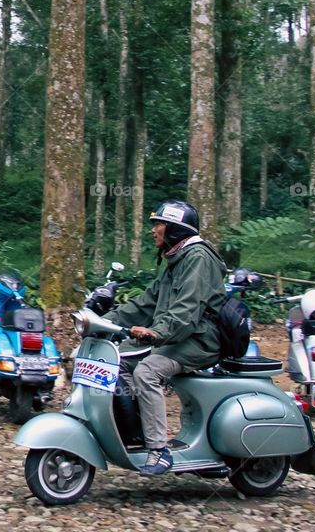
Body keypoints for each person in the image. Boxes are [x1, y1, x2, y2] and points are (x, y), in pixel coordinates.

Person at [100, 200, 224, 476]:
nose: (154, 230)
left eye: (159, 224)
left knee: (148, 370)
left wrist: (158, 334)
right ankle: (137, 434)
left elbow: (186, 312)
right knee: (117, 359)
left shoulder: (198, 259)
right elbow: (145, 303)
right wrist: (103, 323)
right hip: (178, 336)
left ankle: (159, 450)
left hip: (201, 340)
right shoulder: (176, 261)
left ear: (176, 230)